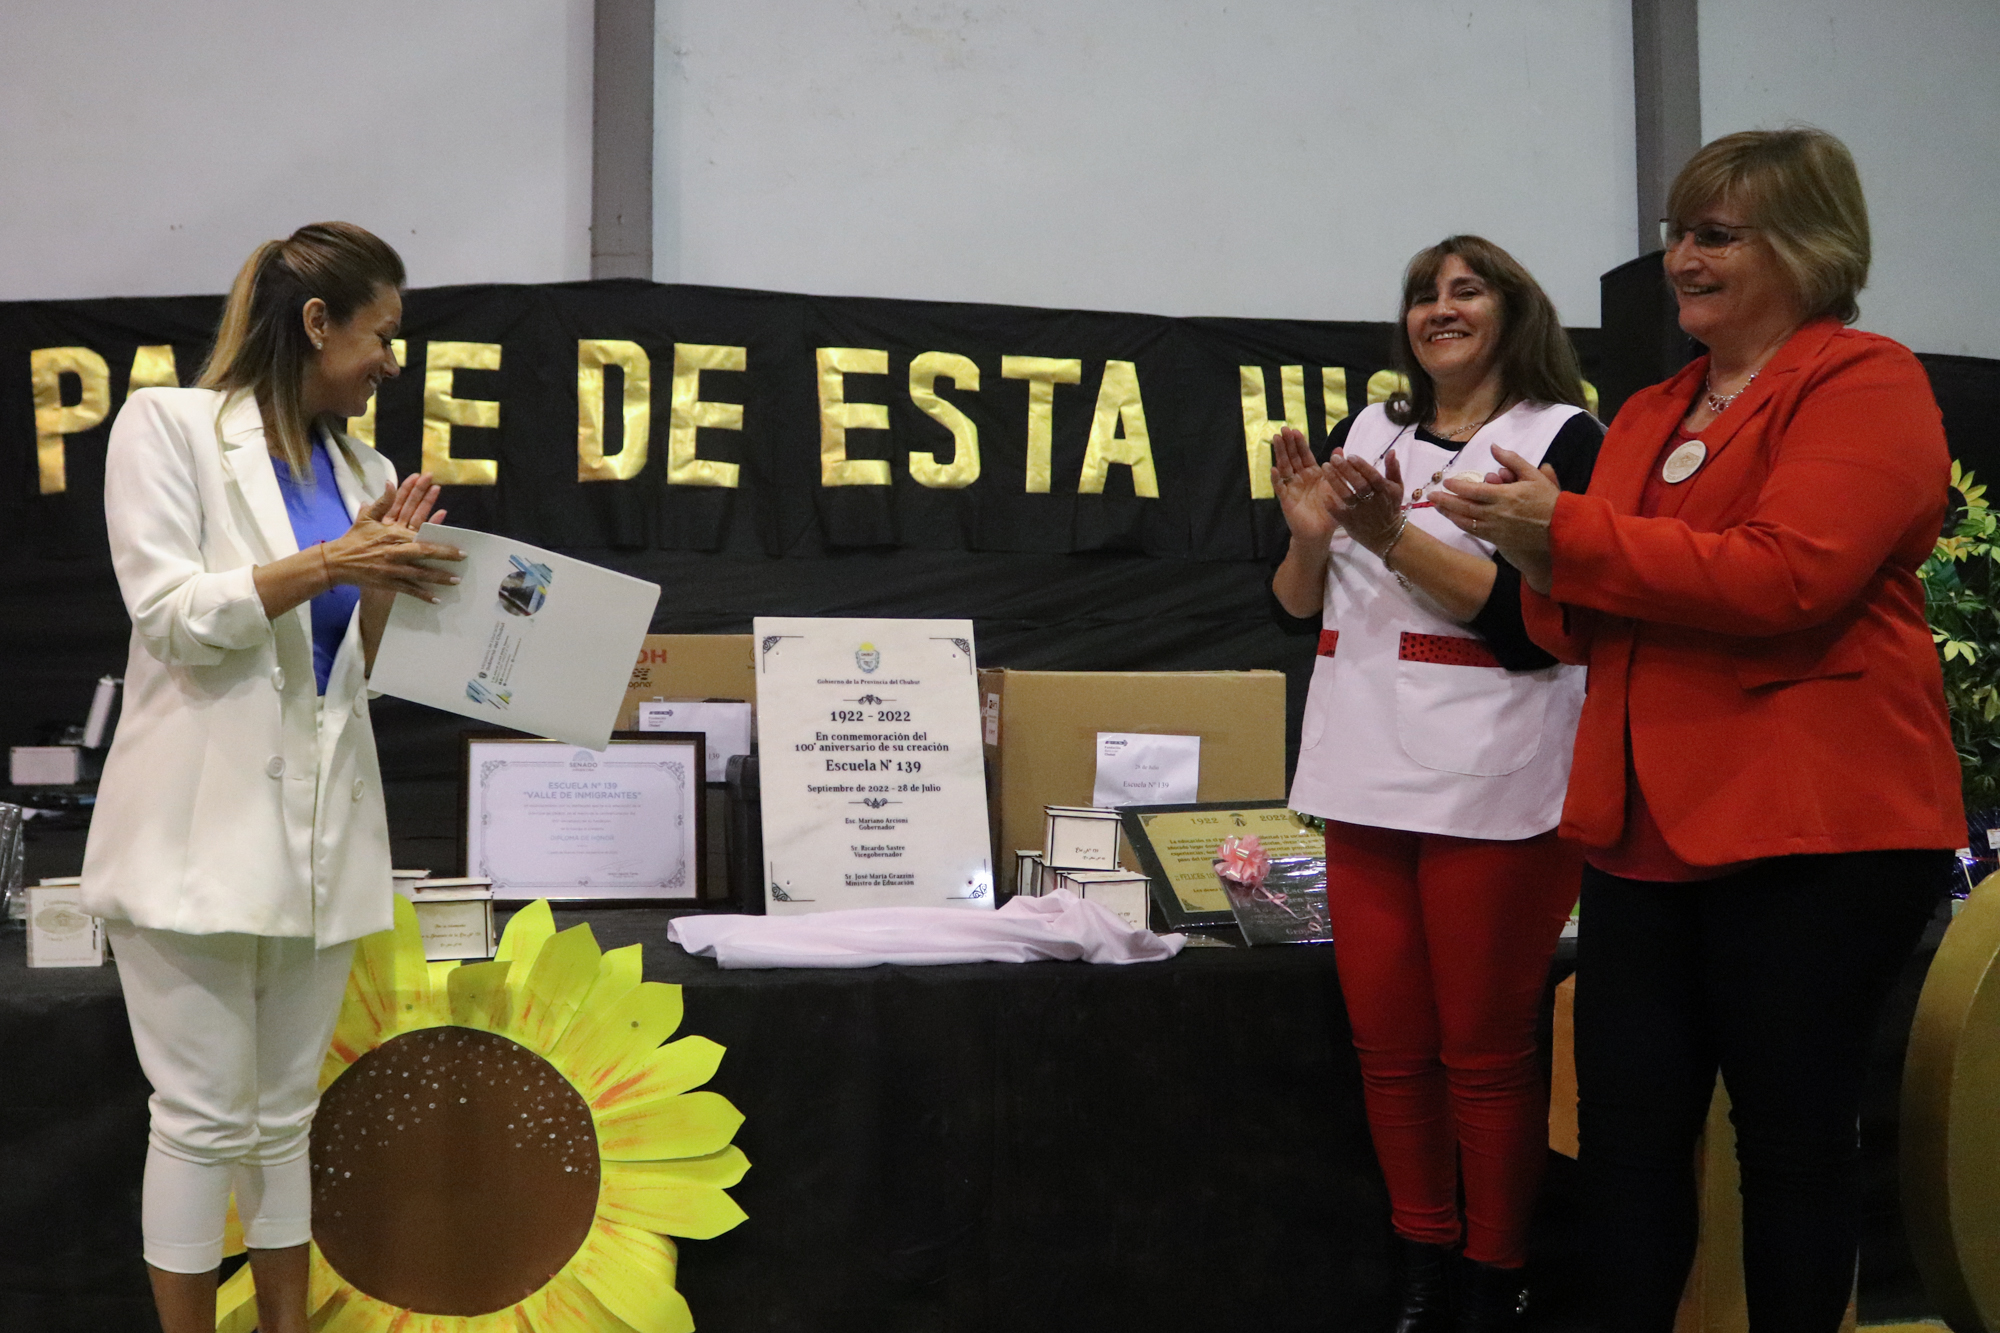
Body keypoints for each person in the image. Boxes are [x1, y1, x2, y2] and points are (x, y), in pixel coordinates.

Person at [1432, 128, 1962, 1331]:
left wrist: (1563, 537)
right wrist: (1527, 543)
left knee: (1787, 1144)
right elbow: (1572, 625)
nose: (1680, 256)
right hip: (1640, 837)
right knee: (1621, 1147)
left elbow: (1789, 580)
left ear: (1807, 246)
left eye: (1712, 233)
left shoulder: (1862, 379)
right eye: (1676, 232)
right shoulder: (1651, 406)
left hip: (1814, 833)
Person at [80, 223, 464, 1333]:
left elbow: (359, 671)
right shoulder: (170, 428)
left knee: (285, 1116)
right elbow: (174, 617)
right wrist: (334, 560)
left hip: (322, 839)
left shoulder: (368, 470)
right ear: (316, 324)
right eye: (382, 333)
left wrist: (398, 588)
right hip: (193, 841)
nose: (393, 360)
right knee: (201, 1118)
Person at [1270, 235, 1603, 1330]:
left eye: (1466, 291)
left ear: (1516, 312)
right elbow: (1290, 601)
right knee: (1388, 1044)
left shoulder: (1559, 438)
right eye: (1423, 293)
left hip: (1491, 781)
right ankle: (1421, 1256)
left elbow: (1532, 628)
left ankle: (1491, 1276)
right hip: (1360, 774)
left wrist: (1388, 535)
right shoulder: (1367, 431)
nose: (1439, 308)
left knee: (1482, 1047)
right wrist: (1314, 536)